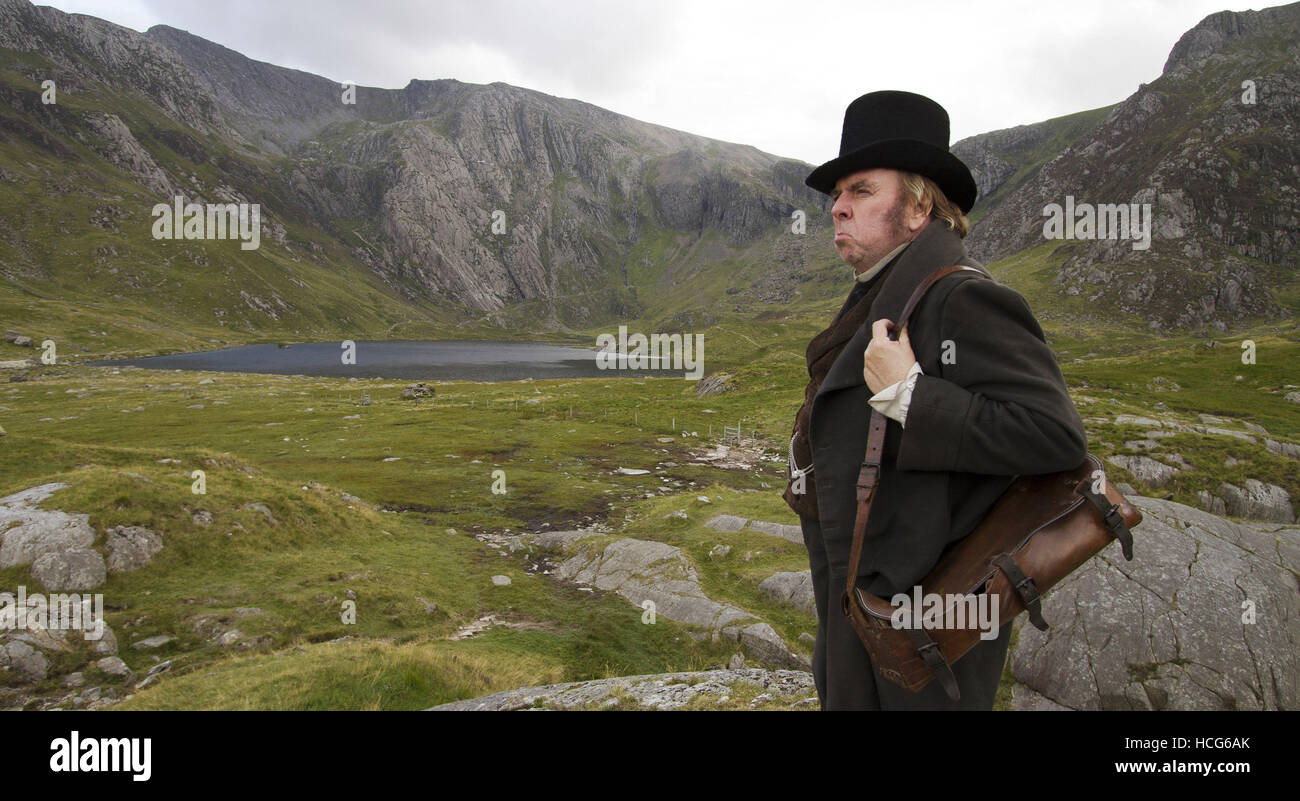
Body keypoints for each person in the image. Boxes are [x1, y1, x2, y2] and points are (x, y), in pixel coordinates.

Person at [782, 90, 1088, 710]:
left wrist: (912, 397)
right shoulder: (884, 292)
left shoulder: (961, 298)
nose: (837, 209)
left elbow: (1052, 436)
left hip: (927, 617)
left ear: (920, 206)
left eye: (861, 191)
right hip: (862, 603)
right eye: (837, 195)